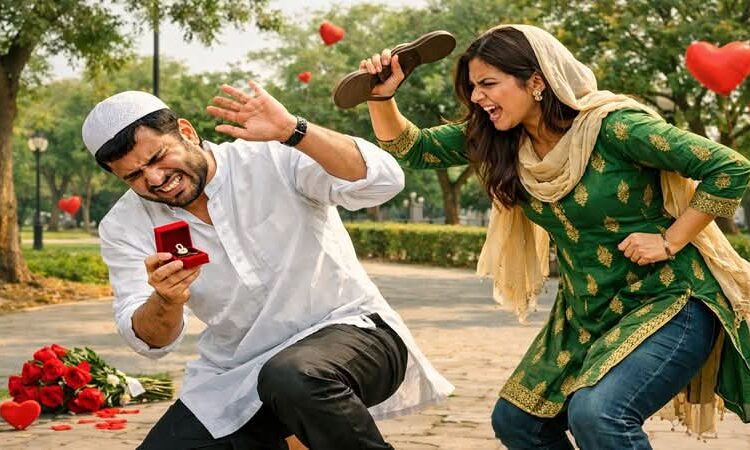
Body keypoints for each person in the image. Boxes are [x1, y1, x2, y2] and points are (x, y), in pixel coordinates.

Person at [351, 24, 750, 449]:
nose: (477, 97)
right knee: (518, 422)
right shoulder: (503, 139)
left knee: (599, 415)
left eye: (488, 84)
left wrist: (670, 240)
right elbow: (412, 148)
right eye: (473, 87)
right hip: (586, 312)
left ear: (536, 82)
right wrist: (381, 96)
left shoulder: (615, 128)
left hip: (670, 301)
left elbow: (729, 167)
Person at [81, 82, 453, 450]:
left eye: (157, 157)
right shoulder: (124, 225)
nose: (154, 179)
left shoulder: (271, 156)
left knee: (292, 377)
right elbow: (151, 342)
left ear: (187, 132)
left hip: (354, 332)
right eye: (134, 176)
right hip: (236, 374)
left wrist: (295, 131)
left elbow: (384, 181)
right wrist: (166, 299)